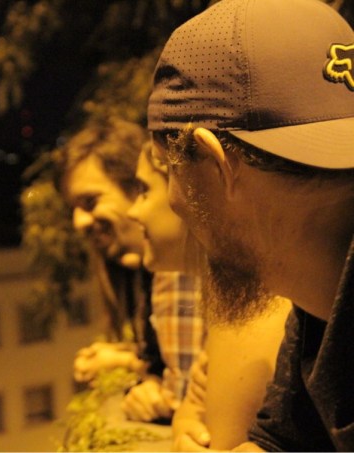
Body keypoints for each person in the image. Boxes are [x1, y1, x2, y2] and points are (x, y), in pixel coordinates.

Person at [147, 0, 354, 450]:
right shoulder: (315, 301)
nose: (173, 203)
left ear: (216, 165)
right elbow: (279, 442)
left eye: (168, 168)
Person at [127, 142, 291, 450]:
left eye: (144, 191)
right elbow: (195, 404)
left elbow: (222, 441)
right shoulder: (234, 297)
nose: (131, 211)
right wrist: (186, 421)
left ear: (214, 177)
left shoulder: (261, 305)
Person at [57, 115, 204, 423]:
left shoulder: (178, 269)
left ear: (137, 188)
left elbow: (186, 396)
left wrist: (152, 388)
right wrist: (135, 363)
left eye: (90, 201)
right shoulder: (157, 271)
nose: (78, 222)